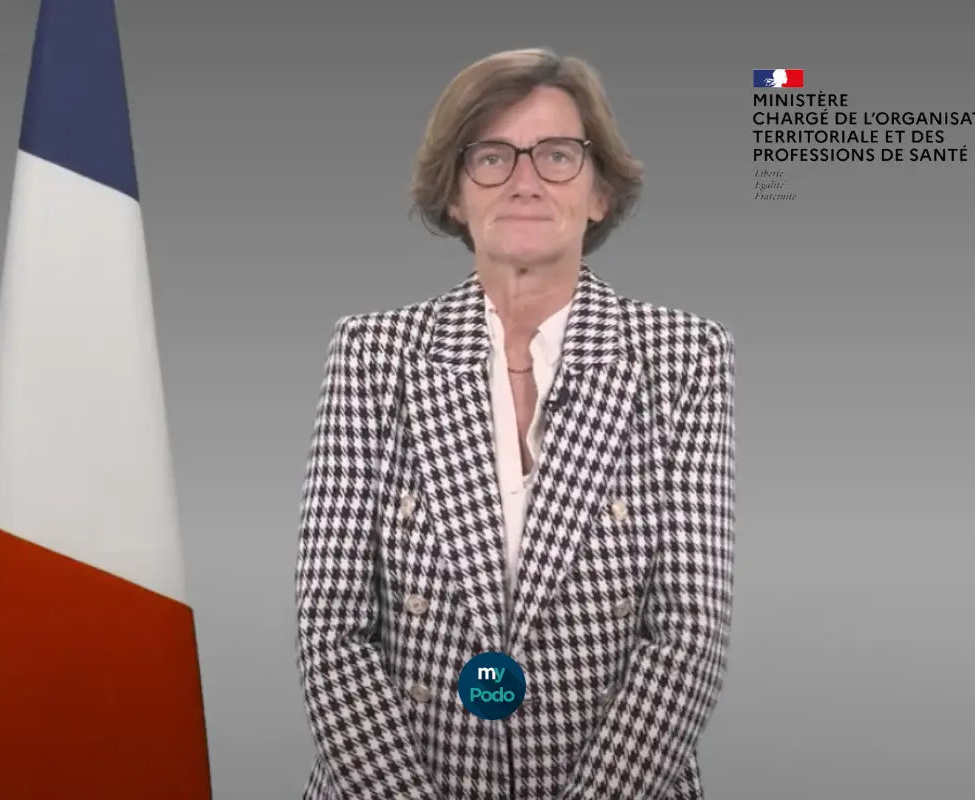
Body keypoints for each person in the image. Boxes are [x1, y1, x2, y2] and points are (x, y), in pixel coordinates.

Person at [295, 47, 736, 800]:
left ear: (600, 193)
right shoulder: (372, 353)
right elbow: (330, 629)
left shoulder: (686, 356)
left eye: (558, 155)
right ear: (454, 194)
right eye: (492, 156)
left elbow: (687, 636)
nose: (525, 180)